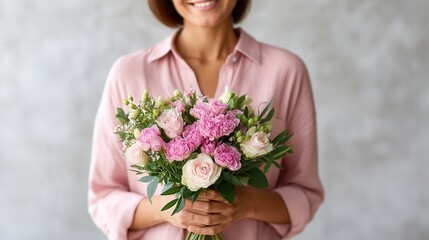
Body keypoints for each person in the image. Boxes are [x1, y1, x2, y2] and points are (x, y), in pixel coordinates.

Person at [88, 0, 324, 239]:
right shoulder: (129, 73)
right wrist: (165, 208)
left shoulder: (286, 71)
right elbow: (104, 197)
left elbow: (304, 194)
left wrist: (248, 203)